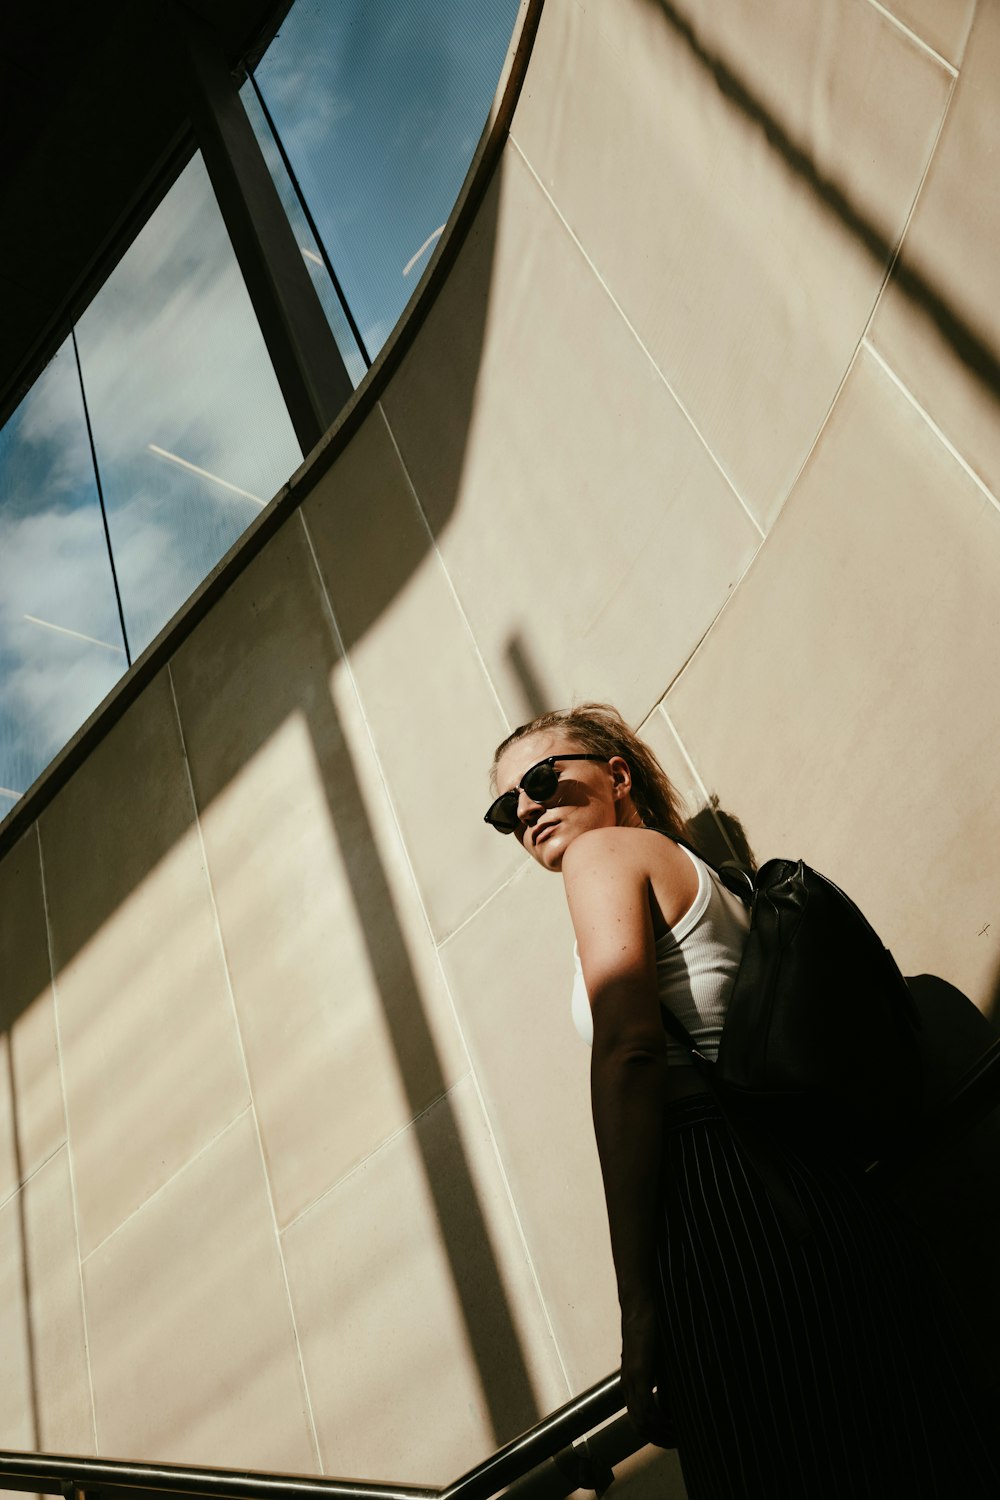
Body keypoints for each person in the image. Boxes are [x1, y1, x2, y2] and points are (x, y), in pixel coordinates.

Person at [485, 703, 998, 1499]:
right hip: (826, 1196)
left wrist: (638, 1303)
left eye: (543, 779)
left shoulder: (602, 858)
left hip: (730, 1205)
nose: (524, 808)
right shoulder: (706, 877)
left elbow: (628, 1054)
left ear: (615, 777)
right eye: (503, 808)